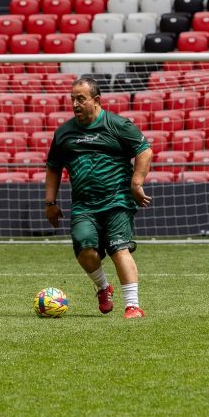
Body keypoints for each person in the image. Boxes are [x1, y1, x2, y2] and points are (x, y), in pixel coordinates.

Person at [45, 77, 153, 319]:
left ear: (96, 101)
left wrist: (136, 183)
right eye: (72, 99)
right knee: (85, 250)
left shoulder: (117, 125)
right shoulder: (63, 133)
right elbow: (53, 167)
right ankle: (104, 288)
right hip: (84, 205)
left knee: (118, 249)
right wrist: (50, 203)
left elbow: (144, 151)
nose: (75, 104)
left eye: (80, 99)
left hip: (117, 200)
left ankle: (132, 306)